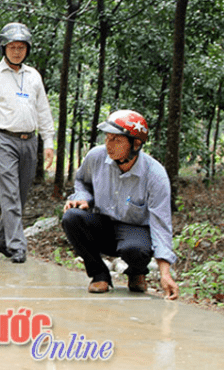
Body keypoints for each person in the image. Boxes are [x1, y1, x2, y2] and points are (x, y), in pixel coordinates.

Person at [62, 110, 179, 300]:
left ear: (136, 144)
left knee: (135, 250)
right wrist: (82, 197)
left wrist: (165, 273)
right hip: (103, 224)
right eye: (108, 138)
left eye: (117, 140)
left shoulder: (155, 175)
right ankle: (99, 275)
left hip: (135, 230)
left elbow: (161, 225)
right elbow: (82, 181)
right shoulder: (96, 156)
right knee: (71, 217)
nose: (109, 145)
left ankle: (136, 272)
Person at [0, 22, 55, 263]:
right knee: (9, 193)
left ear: (27, 49)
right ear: (3, 48)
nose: (17, 51)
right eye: (12, 46)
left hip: (29, 140)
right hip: (3, 139)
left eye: (21, 47)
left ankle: (0, 241)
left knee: (19, 194)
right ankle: (17, 246)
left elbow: (43, 109)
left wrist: (48, 141)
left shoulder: (33, 76)